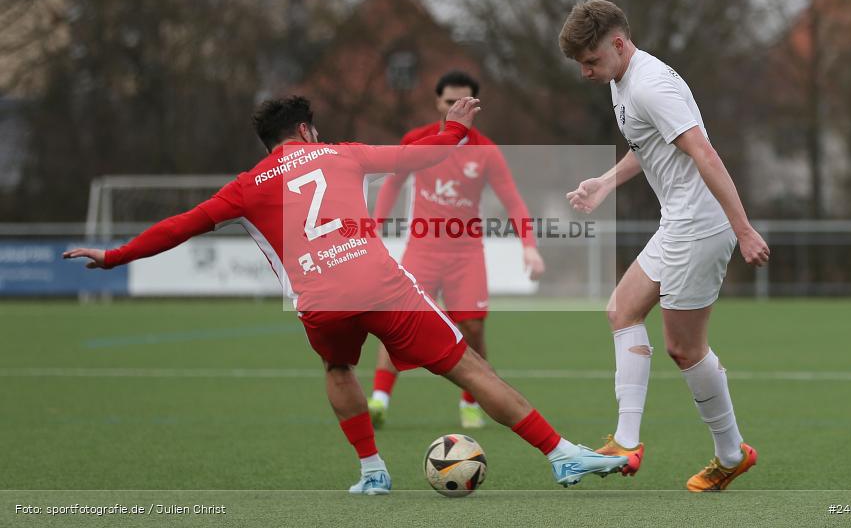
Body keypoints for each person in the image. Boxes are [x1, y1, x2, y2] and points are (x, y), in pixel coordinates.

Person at [64, 95, 631, 494]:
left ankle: (373, 471)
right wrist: (455, 127)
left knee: (338, 368)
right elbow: (421, 156)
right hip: (380, 284)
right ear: (308, 130)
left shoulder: (245, 185)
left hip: (320, 300)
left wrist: (115, 256)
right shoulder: (343, 154)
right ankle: (560, 455)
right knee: (470, 368)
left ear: (269, 143)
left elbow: (182, 224)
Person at [559, 0, 770, 492]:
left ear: (617, 43)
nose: (586, 72)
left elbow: (704, 152)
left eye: (590, 61)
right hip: (677, 222)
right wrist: (605, 183)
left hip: (700, 225)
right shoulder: (621, 81)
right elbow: (648, 146)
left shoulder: (651, 85)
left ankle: (731, 454)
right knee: (622, 310)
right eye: (580, 65)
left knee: (684, 348)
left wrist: (742, 228)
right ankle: (627, 441)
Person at [367, 70, 546, 430]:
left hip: (466, 256)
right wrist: (373, 230)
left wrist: (529, 246)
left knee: (473, 329)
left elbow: (512, 201)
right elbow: (391, 185)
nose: (456, 108)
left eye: (464, 102)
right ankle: (380, 399)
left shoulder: (487, 152)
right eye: (450, 102)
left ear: (475, 107)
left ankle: (470, 402)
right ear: (438, 103)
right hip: (422, 250)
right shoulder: (417, 141)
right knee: (398, 322)